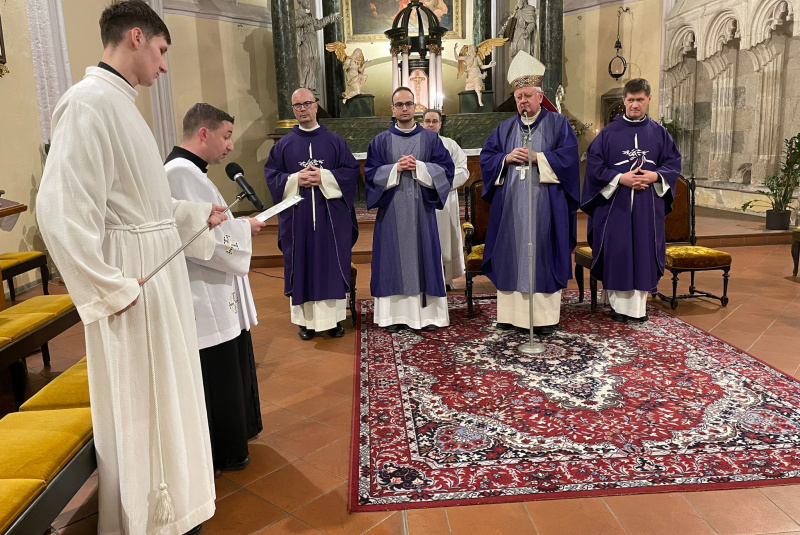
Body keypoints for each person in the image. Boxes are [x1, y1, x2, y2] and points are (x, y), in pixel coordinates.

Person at [36, 2, 227, 534]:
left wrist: (192, 216)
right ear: (137, 38)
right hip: (132, 286)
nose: (164, 67)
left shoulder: (121, 103)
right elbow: (60, 211)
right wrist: (109, 287)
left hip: (152, 276)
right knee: (142, 404)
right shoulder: (88, 103)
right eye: (163, 51)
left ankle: (176, 509)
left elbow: (142, 209)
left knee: (170, 394)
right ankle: (146, 519)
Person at [165, 103, 264, 472]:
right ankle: (226, 449)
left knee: (228, 362)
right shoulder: (179, 172)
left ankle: (236, 438)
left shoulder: (190, 170)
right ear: (203, 133)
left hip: (213, 284)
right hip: (202, 290)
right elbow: (201, 237)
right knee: (218, 370)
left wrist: (236, 226)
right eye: (225, 136)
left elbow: (210, 224)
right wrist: (244, 228)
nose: (230, 146)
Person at [479, 52, 580, 335]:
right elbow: (488, 158)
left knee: (543, 254)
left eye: (528, 95)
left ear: (540, 96)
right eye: (519, 96)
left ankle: (544, 319)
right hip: (511, 207)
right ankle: (510, 315)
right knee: (510, 253)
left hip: (545, 207)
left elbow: (570, 159)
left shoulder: (558, 124)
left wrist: (540, 158)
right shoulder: (505, 128)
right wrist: (506, 158)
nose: (523, 101)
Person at [581, 78, 682, 322]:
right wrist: (620, 179)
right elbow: (594, 167)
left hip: (647, 205)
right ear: (623, 101)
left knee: (643, 250)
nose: (634, 104)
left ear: (648, 100)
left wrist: (654, 175)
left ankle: (639, 308)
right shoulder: (608, 134)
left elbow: (673, 164)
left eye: (639, 99)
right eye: (630, 100)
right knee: (619, 251)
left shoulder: (659, 133)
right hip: (616, 205)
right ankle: (618, 306)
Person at [265, 88, 360, 340]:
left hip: (330, 220)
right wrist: (296, 178)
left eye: (307, 103)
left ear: (316, 106)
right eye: (297, 105)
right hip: (299, 221)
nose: (302, 109)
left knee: (331, 264)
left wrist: (324, 176)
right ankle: (304, 322)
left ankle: (336, 320)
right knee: (301, 264)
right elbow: (272, 177)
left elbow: (351, 173)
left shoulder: (335, 142)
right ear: (293, 110)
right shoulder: (283, 146)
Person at [364, 87, 455, 332]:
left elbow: (446, 170)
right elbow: (370, 175)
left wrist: (419, 167)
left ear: (415, 107)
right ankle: (393, 317)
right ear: (392, 109)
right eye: (399, 105)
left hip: (421, 211)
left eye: (408, 104)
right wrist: (395, 169)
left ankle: (427, 317)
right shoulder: (380, 141)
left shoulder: (430, 139)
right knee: (392, 259)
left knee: (424, 256)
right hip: (391, 211)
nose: (404, 108)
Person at [421, 108, 469, 287]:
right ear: (422, 123)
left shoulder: (450, 145)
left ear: (440, 124)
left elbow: (463, 170)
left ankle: (445, 279)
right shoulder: (415, 144)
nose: (431, 124)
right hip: (422, 199)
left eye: (435, 121)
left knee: (444, 237)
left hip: (445, 200)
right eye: (428, 121)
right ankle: (424, 278)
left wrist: (440, 183)